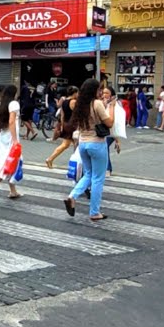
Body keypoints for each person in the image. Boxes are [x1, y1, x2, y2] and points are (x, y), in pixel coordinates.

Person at [62, 78, 116, 221]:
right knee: (98, 178)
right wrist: (111, 107)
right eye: (99, 89)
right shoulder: (97, 103)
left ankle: (72, 196)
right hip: (97, 144)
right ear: (94, 90)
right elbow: (109, 123)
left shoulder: (79, 104)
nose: (100, 92)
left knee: (88, 174)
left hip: (83, 144)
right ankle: (94, 212)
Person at [45, 86, 78, 169]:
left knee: (65, 144)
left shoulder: (64, 101)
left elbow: (62, 115)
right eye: (77, 93)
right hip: (73, 126)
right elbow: (77, 114)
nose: (78, 94)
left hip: (66, 124)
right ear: (74, 93)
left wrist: (62, 125)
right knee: (77, 145)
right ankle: (76, 163)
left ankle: (50, 159)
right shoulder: (73, 102)